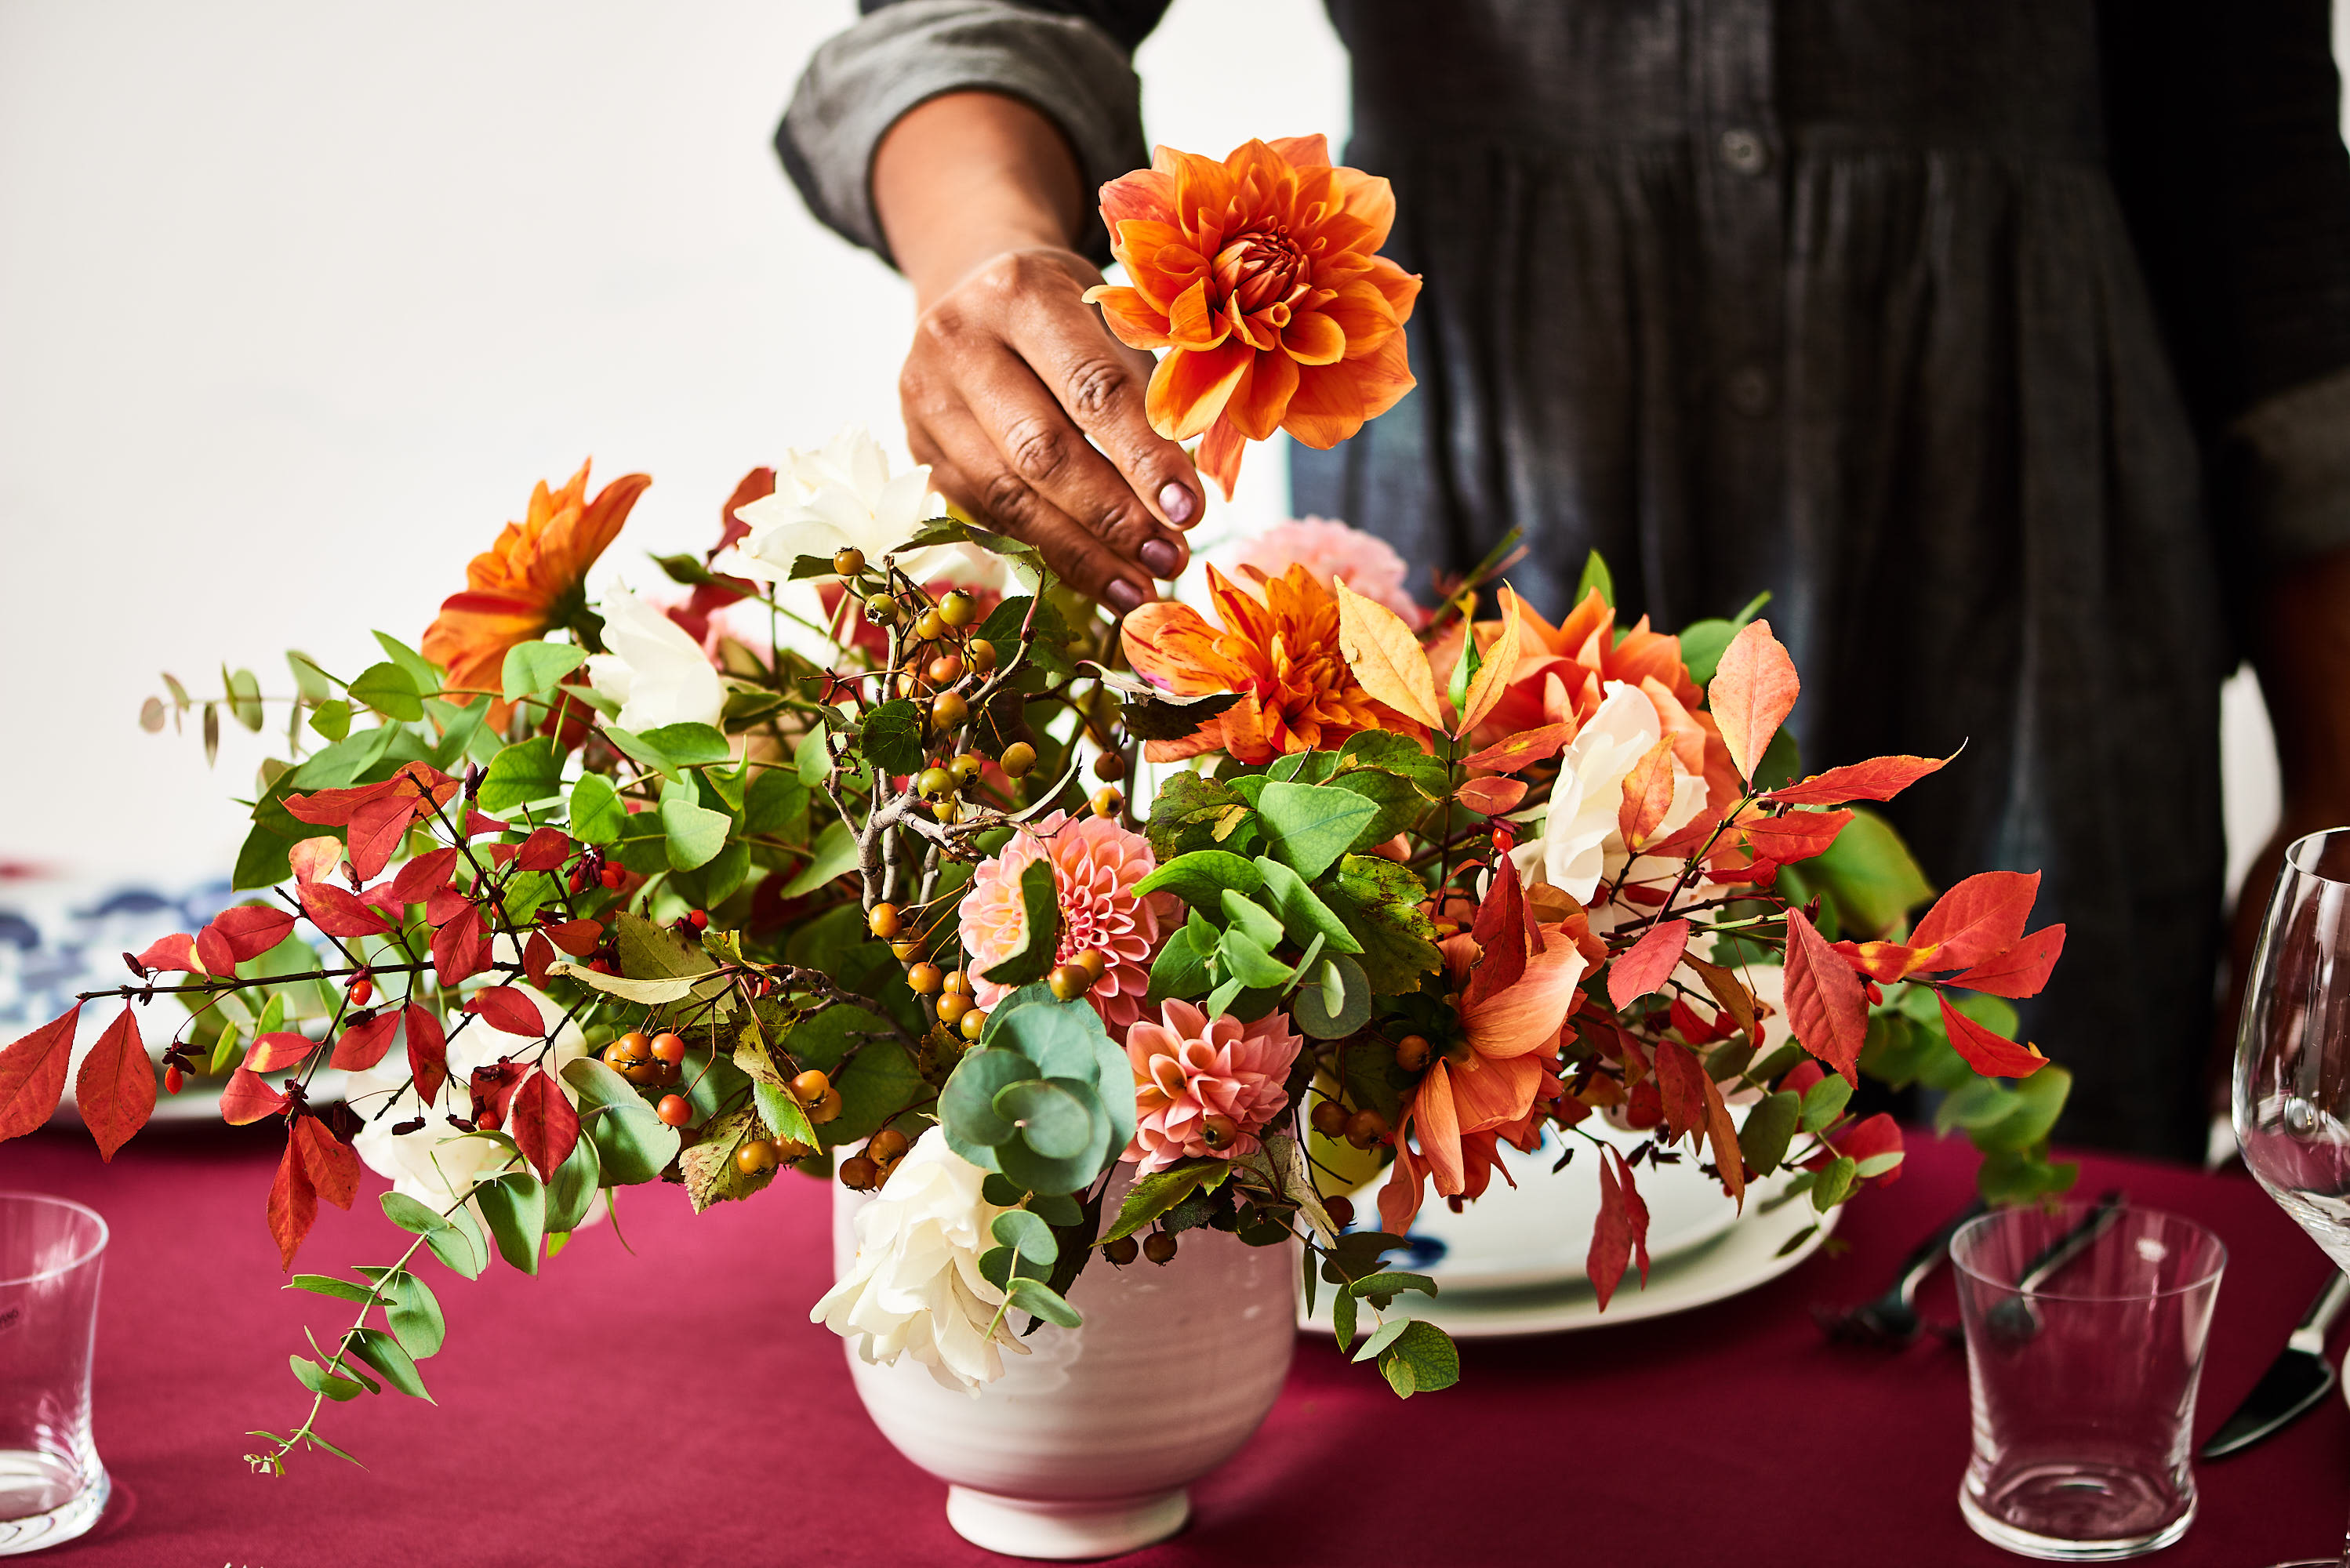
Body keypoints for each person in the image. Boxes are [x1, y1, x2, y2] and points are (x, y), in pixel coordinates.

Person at [779, 0, 2350, 1159]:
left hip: (2020, 538)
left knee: (2041, 1256)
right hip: (1489, 526)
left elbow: (2254, 165)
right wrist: (991, 260)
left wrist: (2337, 779)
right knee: (1509, 1250)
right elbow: (970, 19)